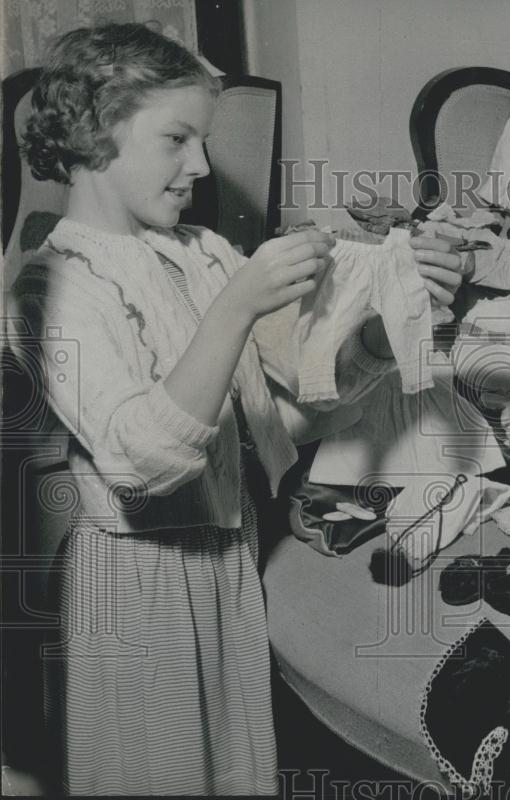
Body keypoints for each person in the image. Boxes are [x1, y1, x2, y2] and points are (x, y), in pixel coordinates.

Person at [8, 23, 465, 796]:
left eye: (205, 139)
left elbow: (294, 413)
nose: (203, 164)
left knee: (232, 769)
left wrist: (389, 324)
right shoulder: (50, 287)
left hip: (227, 557)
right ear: (94, 131)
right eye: (177, 138)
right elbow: (141, 460)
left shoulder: (208, 254)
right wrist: (234, 309)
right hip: (135, 580)